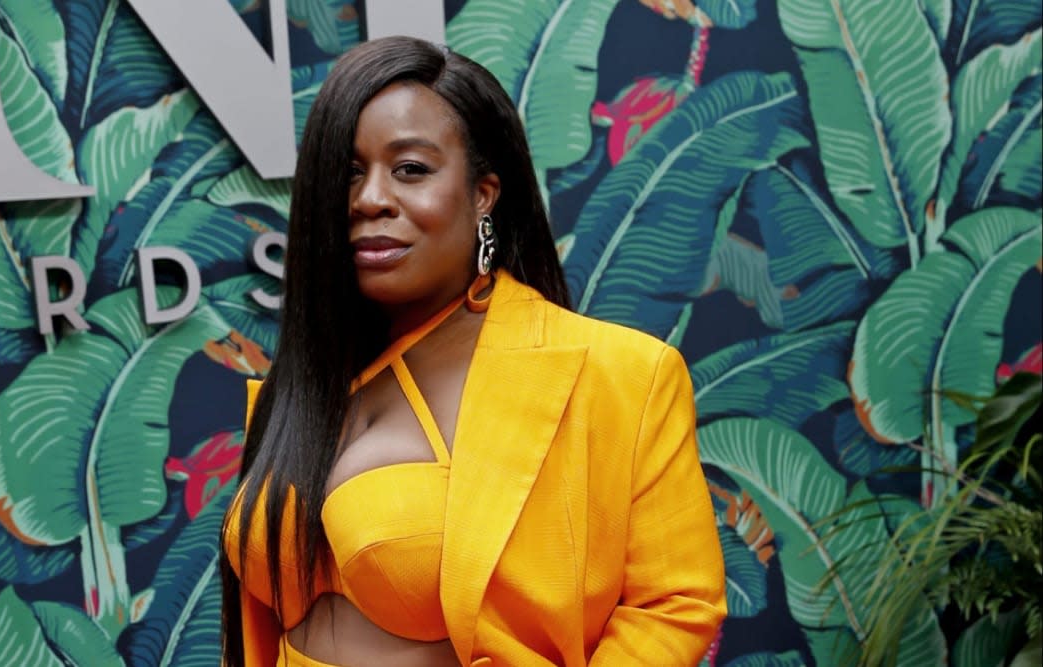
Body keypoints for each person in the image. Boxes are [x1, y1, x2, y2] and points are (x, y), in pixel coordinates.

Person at [220, 36, 726, 667]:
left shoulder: (620, 374)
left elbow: (675, 604)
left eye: (410, 169)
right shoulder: (296, 392)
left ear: (484, 193)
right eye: (349, 172)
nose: (368, 199)